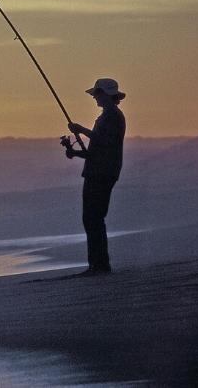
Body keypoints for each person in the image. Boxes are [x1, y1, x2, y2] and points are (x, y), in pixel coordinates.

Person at [65, 78, 126, 276]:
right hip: (97, 171)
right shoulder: (106, 116)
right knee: (91, 218)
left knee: (93, 218)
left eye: (96, 94)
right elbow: (97, 150)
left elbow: (106, 143)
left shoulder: (114, 117)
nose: (94, 97)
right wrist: (75, 153)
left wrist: (81, 130)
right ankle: (97, 264)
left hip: (102, 173)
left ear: (104, 94)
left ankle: (100, 265)